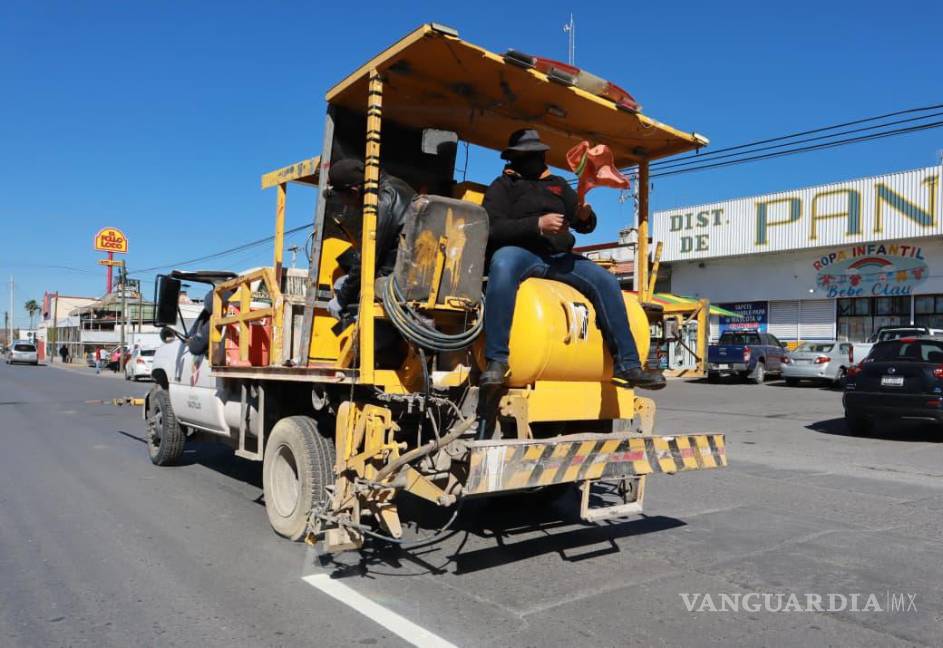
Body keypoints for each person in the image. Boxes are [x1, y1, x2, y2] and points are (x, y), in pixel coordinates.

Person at [480, 129, 665, 390]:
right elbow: (492, 227)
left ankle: (629, 365)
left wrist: (585, 216)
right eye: (529, 155)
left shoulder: (558, 184)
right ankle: (496, 361)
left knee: (606, 281)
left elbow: (583, 224)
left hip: (560, 256)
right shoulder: (502, 187)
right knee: (502, 264)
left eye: (538, 154)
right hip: (522, 253)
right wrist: (536, 224)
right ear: (514, 158)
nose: (536, 159)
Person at [324, 159, 416, 321]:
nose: (345, 204)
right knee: (345, 283)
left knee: (343, 287)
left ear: (353, 191)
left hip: (398, 278)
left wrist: (341, 299)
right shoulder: (397, 185)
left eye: (342, 197)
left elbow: (366, 259)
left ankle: (371, 343)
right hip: (408, 270)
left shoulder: (380, 203)